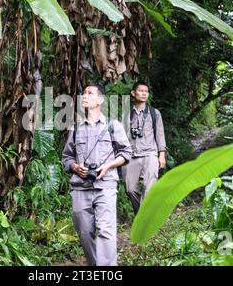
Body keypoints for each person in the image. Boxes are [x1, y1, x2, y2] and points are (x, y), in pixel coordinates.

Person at [62, 84, 132, 266]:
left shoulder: (113, 125)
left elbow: (126, 153)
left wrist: (108, 166)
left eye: (90, 93)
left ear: (100, 100)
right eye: (83, 93)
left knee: (106, 231)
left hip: (105, 186)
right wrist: (76, 167)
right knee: (85, 233)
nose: (85, 96)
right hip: (80, 188)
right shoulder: (75, 128)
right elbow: (66, 158)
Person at [122, 81, 167, 214]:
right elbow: (122, 138)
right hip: (132, 156)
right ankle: (141, 215)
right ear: (133, 93)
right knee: (130, 189)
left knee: (149, 188)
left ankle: (143, 222)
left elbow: (159, 134)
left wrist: (162, 155)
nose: (143, 93)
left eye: (146, 91)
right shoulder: (126, 115)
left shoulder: (154, 113)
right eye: (140, 90)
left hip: (150, 154)